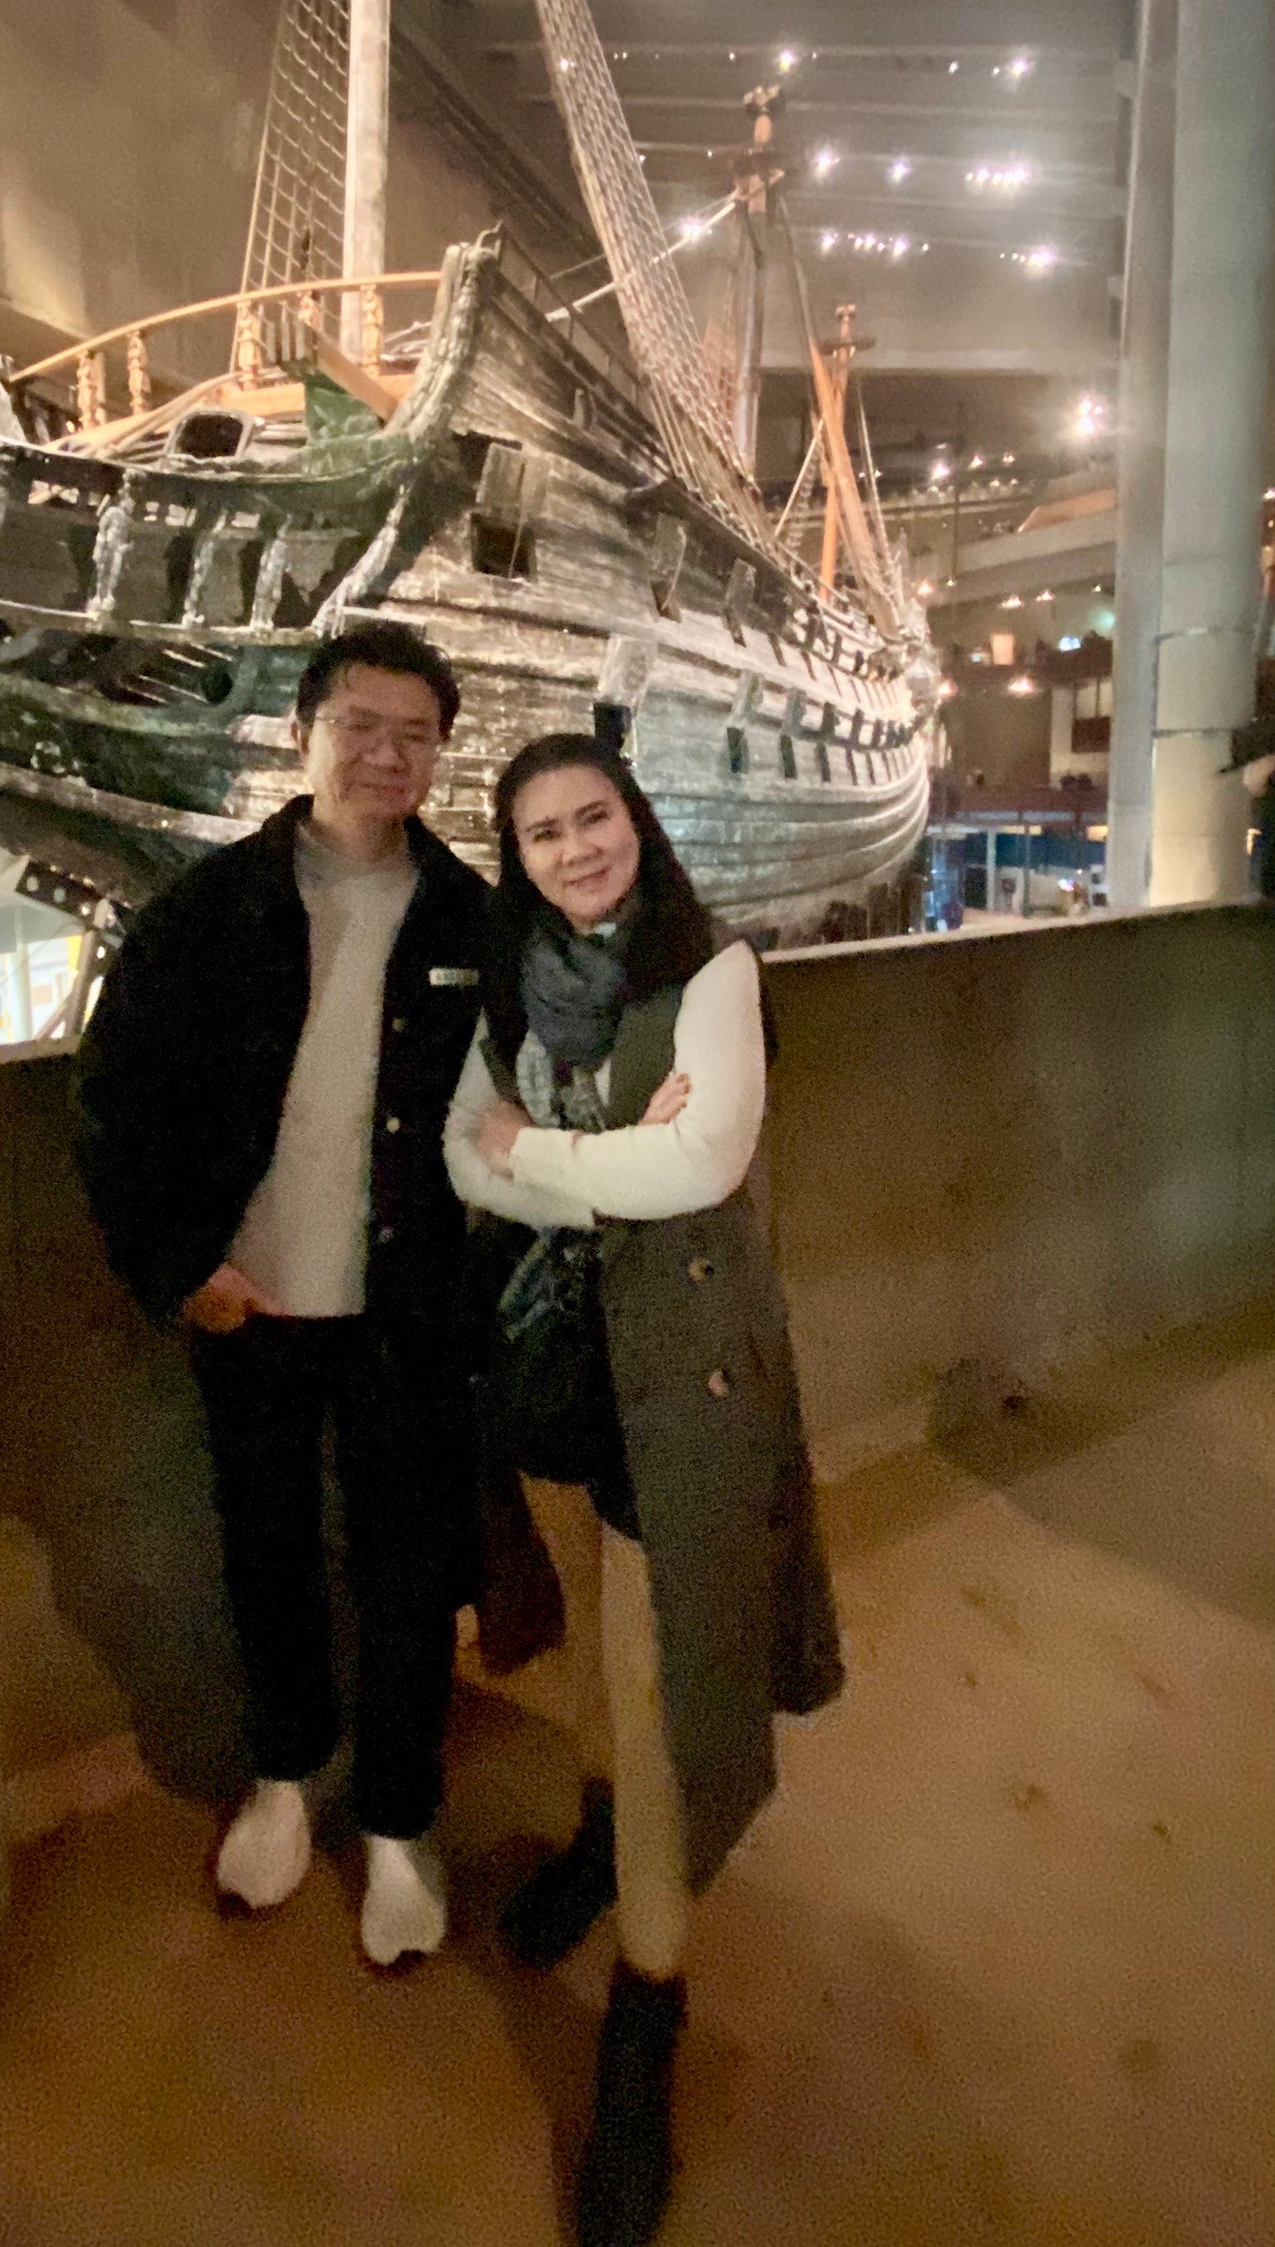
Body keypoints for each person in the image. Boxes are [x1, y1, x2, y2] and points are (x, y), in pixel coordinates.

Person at [445, 733, 842, 2247]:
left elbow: (701, 1165)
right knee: (598, 1660)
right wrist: (605, 1147)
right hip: (549, 1368)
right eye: (542, 832)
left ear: (636, 821)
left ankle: (648, 2009)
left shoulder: (711, 970)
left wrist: (539, 1148)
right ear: (519, 856)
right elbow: (461, 1161)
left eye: (593, 817)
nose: (574, 848)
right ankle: (600, 1842)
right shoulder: (510, 983)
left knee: (660, 1683)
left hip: (678, 1381)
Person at [74, 618, 488, 1965]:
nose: (386, 756)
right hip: (249, 1303)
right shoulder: (211, 907)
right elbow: (114, 1098)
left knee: (410, 1570)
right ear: (305, 731)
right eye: (360, 726)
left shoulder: (470, 917)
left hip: (406, 1308)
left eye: (415, 736)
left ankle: (401, 1820)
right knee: (266, 1553)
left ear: (439, 755)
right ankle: (285, 1776)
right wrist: (176, 1265)